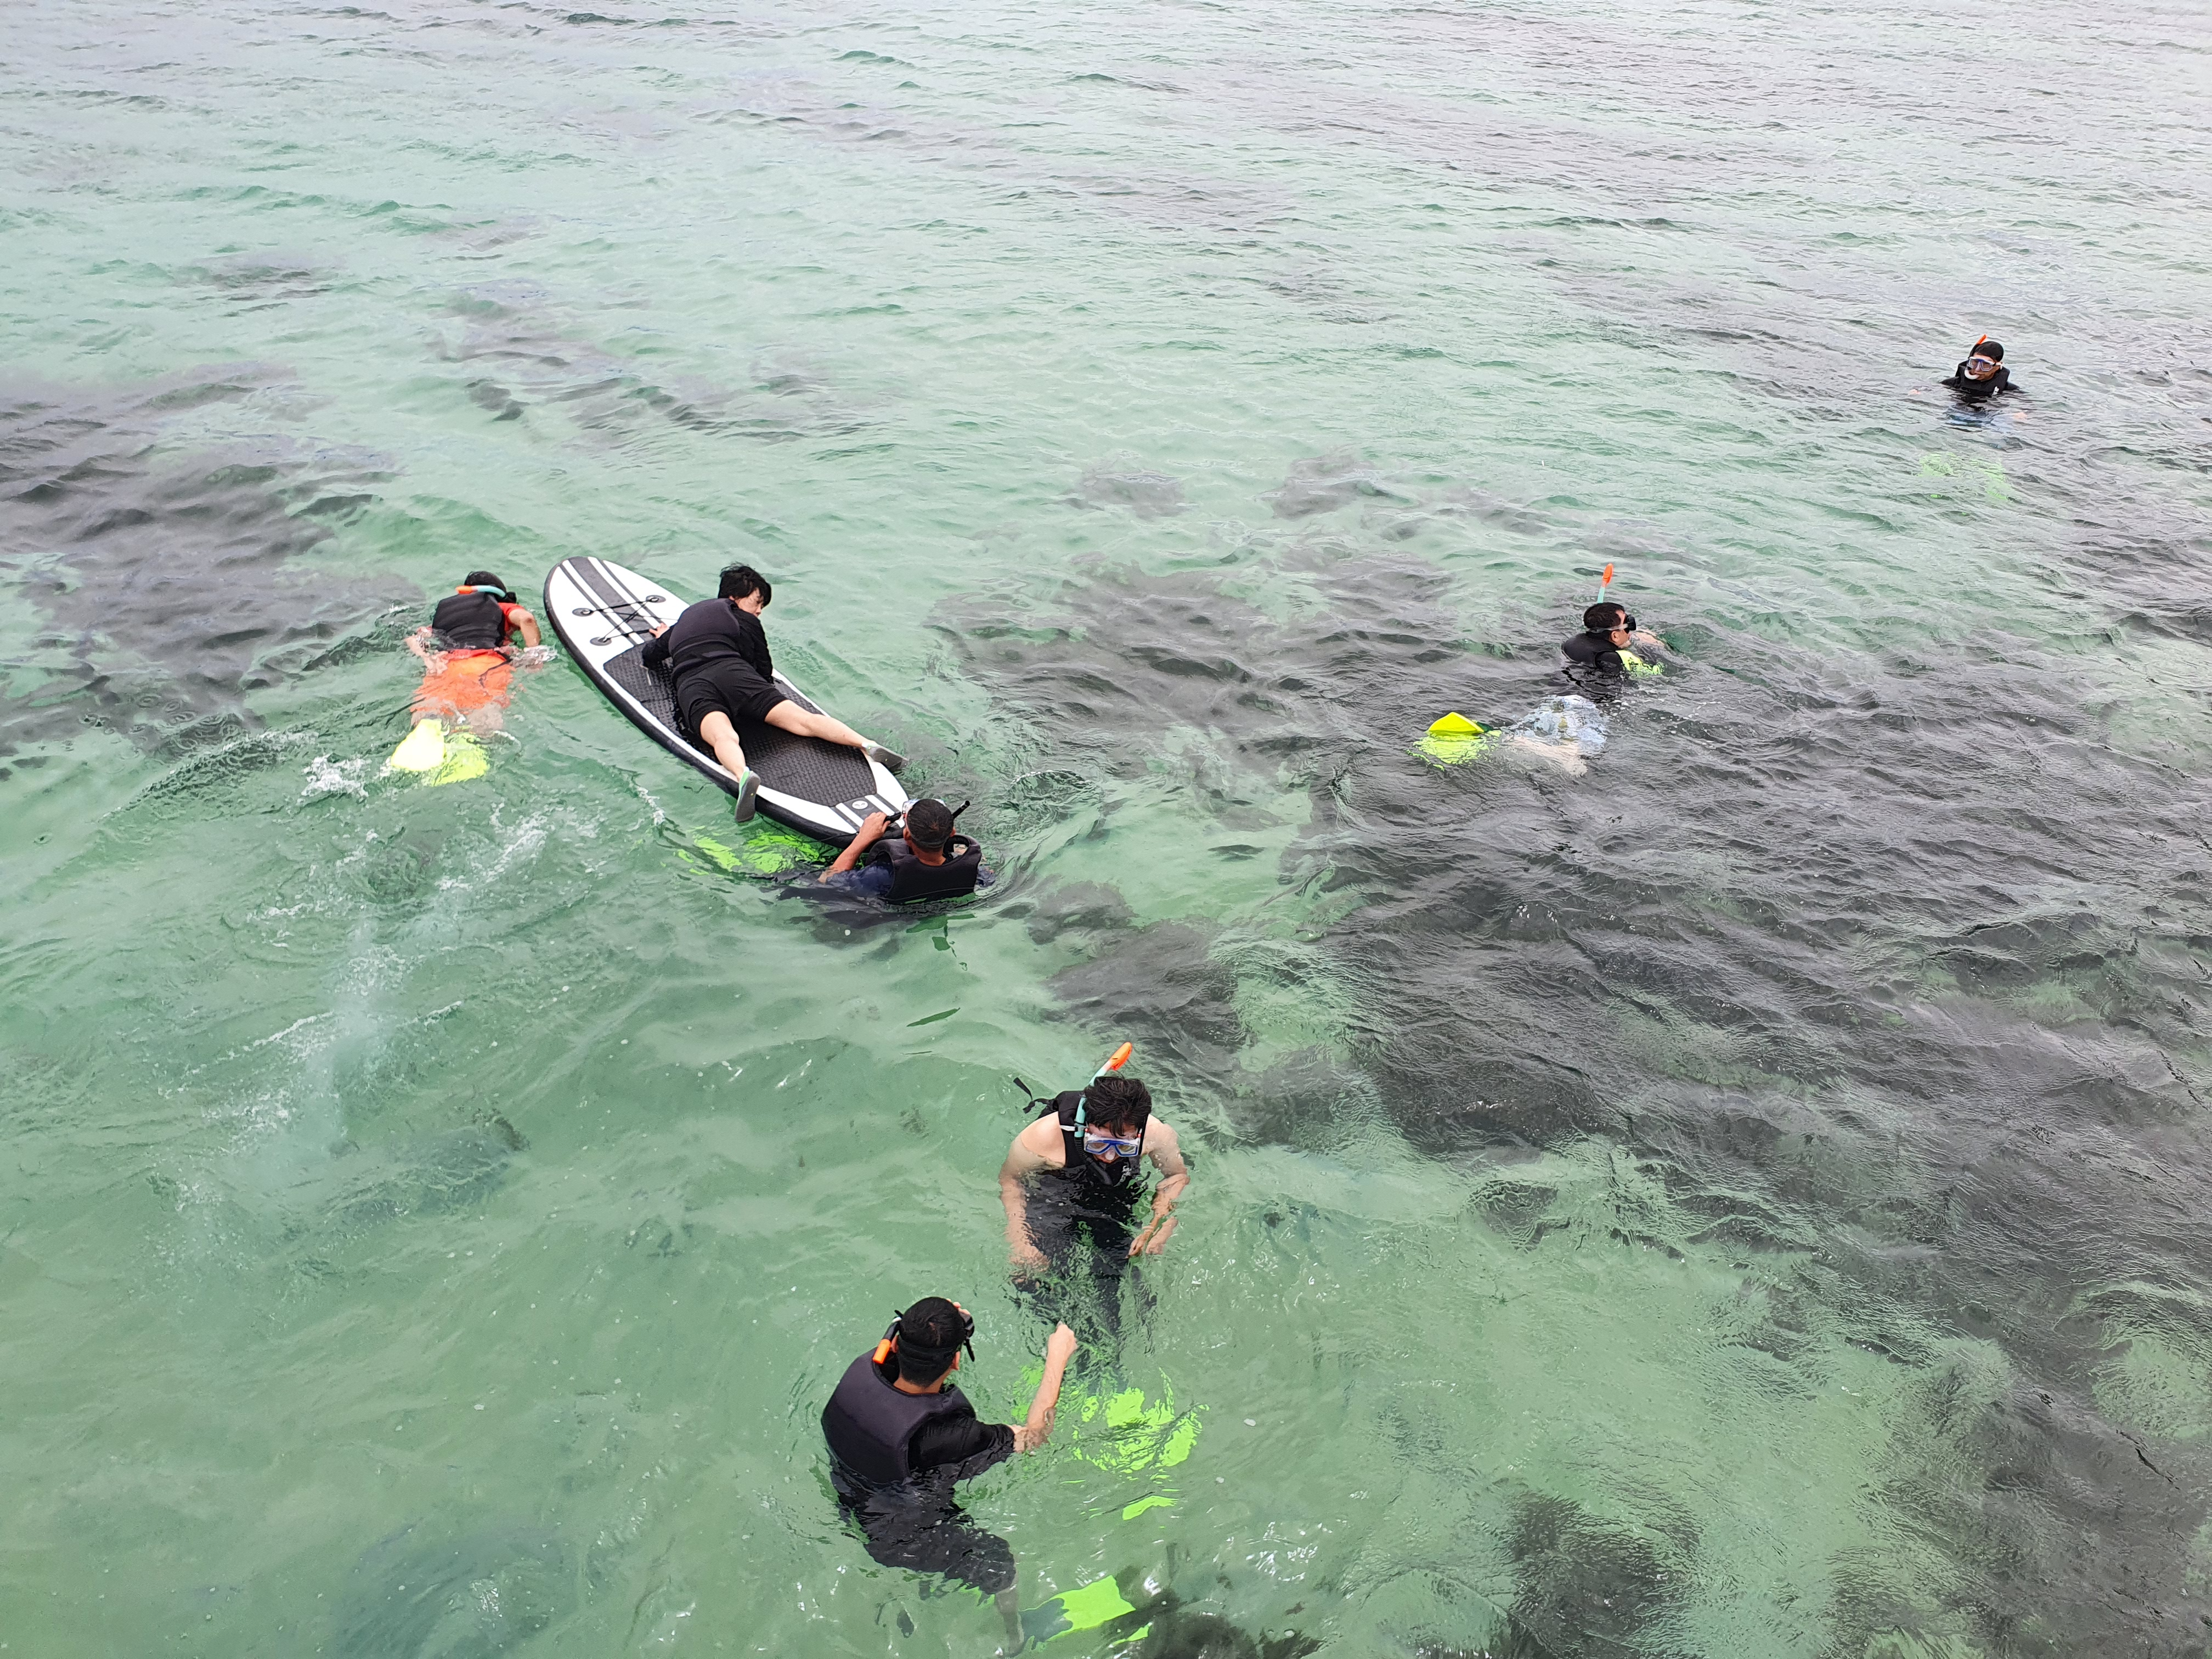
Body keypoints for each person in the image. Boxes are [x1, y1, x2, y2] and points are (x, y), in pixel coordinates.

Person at [821, 1297, 1078, 1651]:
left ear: (895, 1343)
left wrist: (940, 1324)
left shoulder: (865, 1371)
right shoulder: (952, 1437)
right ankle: (1015, 1637)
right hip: (901, 1538)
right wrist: (1058, 1356)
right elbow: (1035, 1437)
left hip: (850, 1498)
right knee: (1000, 1563)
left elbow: (912, 1341)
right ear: (956, 1362)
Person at [641, 563, 905, 822]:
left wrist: (667, 638)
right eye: (757, 603)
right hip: (735, 673)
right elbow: (764, 669)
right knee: (805, 722)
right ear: (734, 599)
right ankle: (865, 744)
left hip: (694, 682)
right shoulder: (744, 619)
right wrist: (759, 699)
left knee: (723, 736)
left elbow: (651, 655)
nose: (758, 611)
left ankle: (743, 774)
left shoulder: (685, 621)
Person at [1000, 1070, 1190, 1350]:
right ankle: (1055, 1349)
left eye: (1123, 1146)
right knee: (1035, 1274)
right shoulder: (1042, 1137)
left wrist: (1157, 1227)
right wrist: (1018, 1238)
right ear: (1086, 1128)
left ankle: (1113, 1353)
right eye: (1099, 1144)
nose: (1109, 1155)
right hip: (1056, 1191)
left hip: (1114, 1191)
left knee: (1117, 1275)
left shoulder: (1156, 1133)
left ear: (1138, 1133)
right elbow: (1011, 1181)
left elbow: (1175, 1178)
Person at [406, 571, 544, 735]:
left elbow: (414, 638)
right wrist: (534, 654)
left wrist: (426, 659)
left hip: (446, 663)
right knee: (485, 713)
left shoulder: (448, 615)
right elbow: (527, 620)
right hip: (487, 663)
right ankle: (475, 745)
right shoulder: (501, 606)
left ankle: (425, 732)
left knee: (432, 706)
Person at [819, 797, 992, 902]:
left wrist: (862, 839)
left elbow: (827, 879)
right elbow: (989, 879)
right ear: (952, 833)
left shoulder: (882, 875)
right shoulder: (973, 870)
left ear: (907, 836)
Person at [1559, 601, 1664, 687]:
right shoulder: (1622, 657)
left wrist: (1617, 644)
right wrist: (1649, 646)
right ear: (1615, 636)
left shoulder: (1571, 643)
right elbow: (1655, 673)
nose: (1631, 631)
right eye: (1628, 625)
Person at [1940, 336, 2023, 403]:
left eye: (1986, 365)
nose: (1977, 369)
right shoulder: (1951, 384)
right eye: (1974, 363)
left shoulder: (2010, 390)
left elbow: (2027, 407)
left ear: (1997, 367)